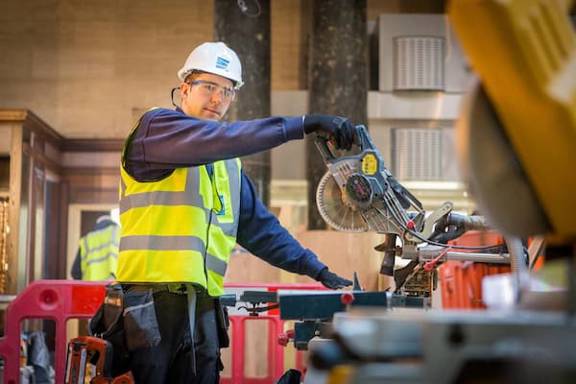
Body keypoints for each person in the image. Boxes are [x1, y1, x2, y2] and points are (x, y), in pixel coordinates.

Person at [114, 41, 355, 383]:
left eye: (227, 92)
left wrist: (316, 269)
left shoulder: (228, 163)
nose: (218, 99)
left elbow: (259, 229)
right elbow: (222, 138)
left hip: (203, 306)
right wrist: (301, 124)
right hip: (151, 302)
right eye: (209, 87)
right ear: (185, 87)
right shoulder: (156, 130)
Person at [70, 214, 119, 281]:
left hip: (91, 287)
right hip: (115, 286)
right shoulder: (119, 233)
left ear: (97, 224)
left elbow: (75, 273)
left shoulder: (87, 240)